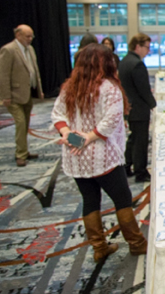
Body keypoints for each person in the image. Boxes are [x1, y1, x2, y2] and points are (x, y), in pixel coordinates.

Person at [51, 43, 147, 263]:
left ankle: (99, 247)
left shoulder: (70, 86)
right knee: (122, 199)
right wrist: (86, 138)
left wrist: (70, 135)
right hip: (103, 155)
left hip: (76, 156)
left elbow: (57, 115)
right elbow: (111, 121)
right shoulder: (109, 87)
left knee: (90, 200)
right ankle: (137, 243)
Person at [0, 25, 44, 167]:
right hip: (13, 96)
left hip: (27, 94)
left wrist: (39, 89)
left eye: (31, 36)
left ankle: (24, 150)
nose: (30, 39)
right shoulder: (8, 50)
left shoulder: (30, 49)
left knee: (25, 123)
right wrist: (5, 95)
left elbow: (34, 71)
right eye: (27, 36)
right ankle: (20, 155)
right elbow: (2, 74)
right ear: (18, 35)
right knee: (21, 123)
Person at [119, 33, 156, 183]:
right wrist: (154, 105)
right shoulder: (137, 64)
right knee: (140, 141)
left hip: (129, 106)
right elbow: (144, 89)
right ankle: (141, 172)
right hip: (139, 108)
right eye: (146, 47)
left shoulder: (124, 61)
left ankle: (126, 167)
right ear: (137, 46)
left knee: (133, 139)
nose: (148, 51)